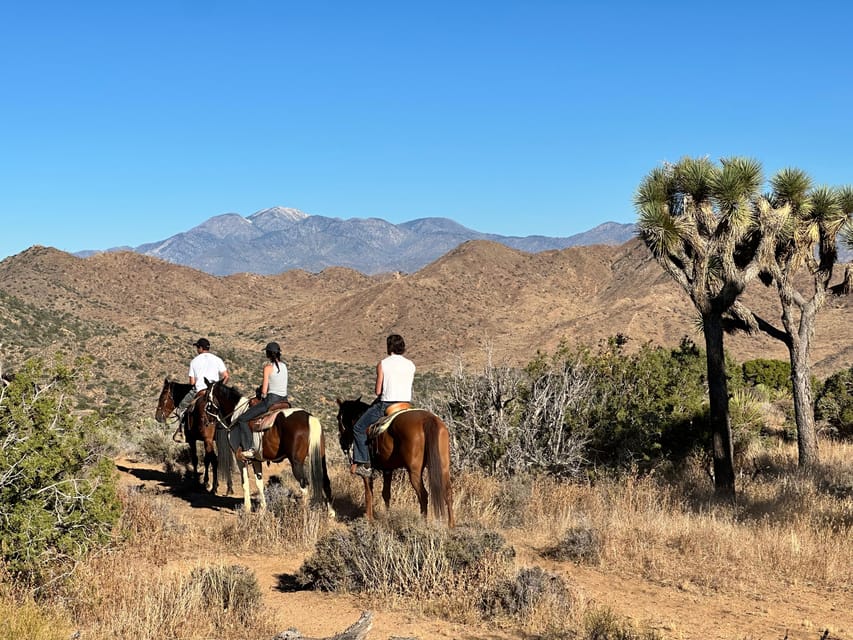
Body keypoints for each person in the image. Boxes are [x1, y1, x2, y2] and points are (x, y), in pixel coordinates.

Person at [351, 334, 415, 478]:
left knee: (358, 428)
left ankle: (364, 463)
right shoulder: (410, 364)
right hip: (406, 404)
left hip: (387, 404)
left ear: (389, 347)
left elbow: (378, 391)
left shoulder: (383, 364)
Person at [235, 341, 288, 462]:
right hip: (284, 401)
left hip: (271, 401)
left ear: (268, 354)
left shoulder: (268, 368)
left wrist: (261, 393)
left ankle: (249, 449)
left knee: (242, 419)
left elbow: (264, 391)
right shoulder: (284, 367)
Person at [175, 338, 230, 437]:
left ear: (200, 348)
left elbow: (192, 382)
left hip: (200, 391)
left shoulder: (194, 361)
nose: (197, 349)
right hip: (215, 392)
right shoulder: (217, 359)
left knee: (182, 407)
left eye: (197, 347)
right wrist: (219, 387)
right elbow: (226, 376)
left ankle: (181, 431)